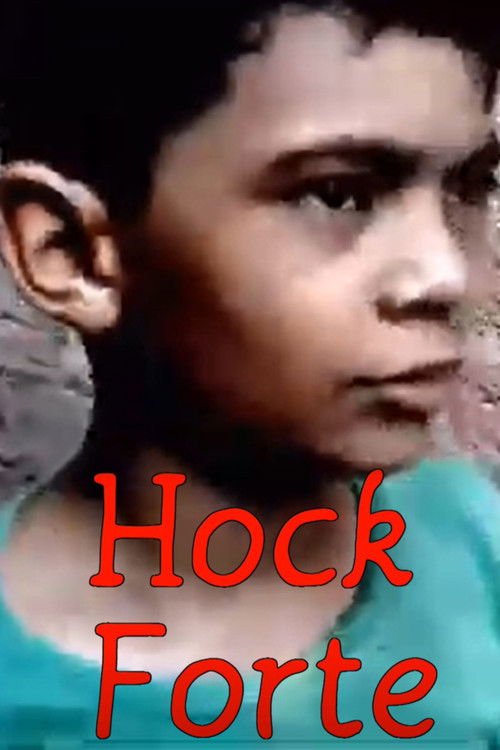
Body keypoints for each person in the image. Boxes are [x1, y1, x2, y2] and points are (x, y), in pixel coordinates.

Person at [0, 0, 499, 745]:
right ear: (70, 255)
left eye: (470, 186)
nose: (446, 274)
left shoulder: (471, 539)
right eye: (338, 194)